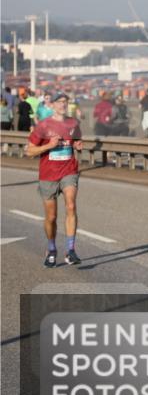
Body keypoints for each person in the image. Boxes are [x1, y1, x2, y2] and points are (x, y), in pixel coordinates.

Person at [26, 93, 84, 267]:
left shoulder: (73, 123)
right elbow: (29, 151)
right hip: (48, 175)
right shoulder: (43, 125)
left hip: (69, 171)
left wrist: (77, 145)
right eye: (60, 102)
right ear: (52, 105)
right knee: (51, 217)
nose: (63, 104)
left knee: (71, 205)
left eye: (65, 102)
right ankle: (51, 249)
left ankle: (71, 250)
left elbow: (76, 141)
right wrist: (49, 146)